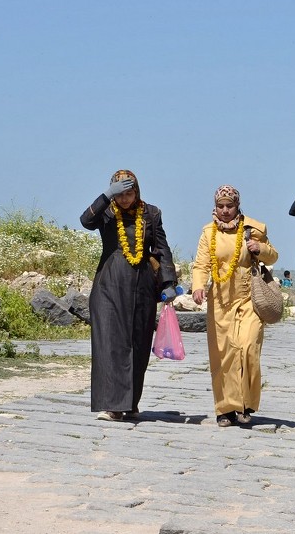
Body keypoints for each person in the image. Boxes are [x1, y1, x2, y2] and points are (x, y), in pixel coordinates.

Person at [81, 170, 177, 422]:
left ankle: (131, 402)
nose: (124, 199)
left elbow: (162, 248)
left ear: (137, 191)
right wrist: (106, 196)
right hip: (109, 285)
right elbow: (86, 221)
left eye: (129, 193)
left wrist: (169, 282)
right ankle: (112, 404)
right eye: (119, 194)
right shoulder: (107, 212)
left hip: (142, 285)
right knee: (110, 344)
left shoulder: (151, 213)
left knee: (138, 342)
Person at [191, 185, 279, 428]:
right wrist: (198, 285)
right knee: (225, 354)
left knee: (249, 346)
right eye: (221, 206)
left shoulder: (253, 228)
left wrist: (259, 249)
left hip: (249, 297)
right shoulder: (208, 233)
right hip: (220, 301)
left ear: (237, 206)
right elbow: (201, 265)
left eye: (230, 206)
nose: (225, 210)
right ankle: (226, 409)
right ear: (215, 207)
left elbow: (273, 256)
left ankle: (246, 403)